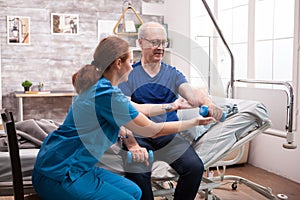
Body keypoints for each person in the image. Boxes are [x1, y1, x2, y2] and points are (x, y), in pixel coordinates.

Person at [32, 36, 215, 200]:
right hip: (59, 173)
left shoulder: (102, 88)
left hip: (78, 168)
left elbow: (139, 108)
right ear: (119, 63)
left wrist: (173, 106)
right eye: (130, 59)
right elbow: (151, 130)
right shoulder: (106, 94)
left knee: (135, 193)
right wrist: (194, 122)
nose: (132, 64)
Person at [118, 22, 224, 200]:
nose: (160, 48)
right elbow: (122, 114)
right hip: (139, 137)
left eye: (163, 42)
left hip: (168, 135)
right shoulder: (128, 75)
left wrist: (208, 102)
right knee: (137, 173)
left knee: (194, 167)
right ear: (140, 43)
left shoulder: (173, 74)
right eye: (154, 42)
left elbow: (192, 95)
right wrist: (132, 145)